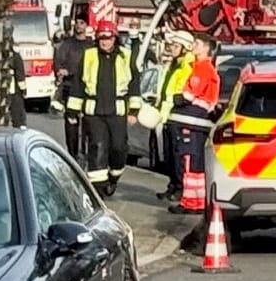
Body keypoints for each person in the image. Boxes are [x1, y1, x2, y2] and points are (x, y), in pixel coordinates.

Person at [67, 24, 139, 197]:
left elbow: (134, 84)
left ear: (115, 38)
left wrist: (134, 110)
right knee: (97, 147)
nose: (105, 42)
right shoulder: (89, 55)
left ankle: (113, 177)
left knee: (118, 147)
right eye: (102, 39)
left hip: (117, 111)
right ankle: (98, 189)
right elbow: (79, 84)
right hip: (94, 111)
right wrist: (72, 111)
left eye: (108, 38)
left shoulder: (126, 56)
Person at [164, 33, 220, 212]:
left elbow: (189, 95)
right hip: (195, 121)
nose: (193, 46)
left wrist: (178, 98)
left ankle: (191, 202)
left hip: (192, 121)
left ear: (206, 48)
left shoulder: (203, 69)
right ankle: (195, 201)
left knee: (189, 161)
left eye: (197, 43)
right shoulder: (200, 67)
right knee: (193, 162)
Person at [154, 32, 195, 199]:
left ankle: (180, 188)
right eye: (172, 46)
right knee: (169, 155)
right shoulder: (172, 65)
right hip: (166, 116)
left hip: (178, 116)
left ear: (185, 49)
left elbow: (182, 93)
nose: (172, 49)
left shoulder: (187, 67)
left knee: (178, 156)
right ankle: (172, 184)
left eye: (176, 46)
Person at [51, 21, 94, 159]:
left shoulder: (91, 45)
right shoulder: (67, 44)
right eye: (77, 23)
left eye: (82, 23)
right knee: (71, 122)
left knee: (89, 122)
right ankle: (73, 153)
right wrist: (61, 72)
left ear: (86, 26)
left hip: (88, 89)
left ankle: (88, 152)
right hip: (70, 88)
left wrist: (71, 71)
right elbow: (58, 64)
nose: (79, 26)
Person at [7, 47, 26, 127]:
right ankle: (20, 127)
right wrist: (24, 89)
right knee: (17, 114)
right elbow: (20, 75)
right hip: (15, 91)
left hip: (7, 90)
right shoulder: (16, 57)